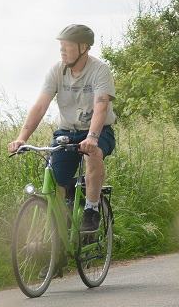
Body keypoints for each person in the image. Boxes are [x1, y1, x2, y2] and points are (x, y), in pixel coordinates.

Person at [7, 24, 116, 233]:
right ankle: (59, 235)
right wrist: (21, 137)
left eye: (67, 46)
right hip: (67, 132)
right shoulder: (57, 71)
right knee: (55, 180)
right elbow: (40, 106)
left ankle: (92, 210)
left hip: (98, 130)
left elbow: (101, 106)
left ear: (83, 47)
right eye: (61, 47)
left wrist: (92, 137)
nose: (62, 51)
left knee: (93, 154)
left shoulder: (100, 70)